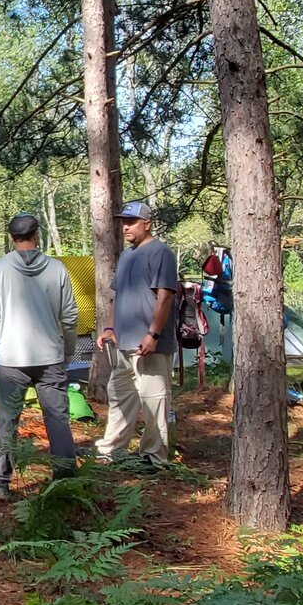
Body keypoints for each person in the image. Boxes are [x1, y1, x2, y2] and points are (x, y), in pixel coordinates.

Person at [0, 210, 80, 493]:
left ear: (13, 239)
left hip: (13, 357)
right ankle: (65, 480)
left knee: (6, 420)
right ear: (37, 235)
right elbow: (70, 316)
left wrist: (4, 333)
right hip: (50, 356)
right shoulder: (57, 269)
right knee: (58, 419)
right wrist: (68, 350)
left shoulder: (0, 269)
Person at [95, 200, 178, 467]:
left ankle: (154, 457)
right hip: (123, 343)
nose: (126, 227)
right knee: (120, 397)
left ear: (147, 224)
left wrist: (152, 334)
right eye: (123, 222)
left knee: (154, 399)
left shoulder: (161, 252)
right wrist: (109, 327)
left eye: (131, 222)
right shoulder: (127, 255)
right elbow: (118, 296)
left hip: (149, 343)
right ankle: (111, 450)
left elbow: (164, 297)